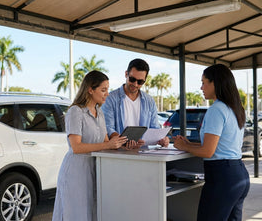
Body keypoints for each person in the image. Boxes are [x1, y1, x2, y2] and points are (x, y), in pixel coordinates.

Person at [173, 64, 250, 221]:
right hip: (239, 174)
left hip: (222, 178)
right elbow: (220, 145)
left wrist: (183, 146)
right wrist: (189, 144)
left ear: (215, 83)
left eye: (203, 82)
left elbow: (208, 151)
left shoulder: (217, 109)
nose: (201, 87)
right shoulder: (234, 108)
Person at [52, 70, 128, 221]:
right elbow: (76, 147)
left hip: (95, 170)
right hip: (76, 172)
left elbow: (106, 142)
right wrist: (108, 145)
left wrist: (122, 143)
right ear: (90, 90)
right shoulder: (76, 111)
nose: (107, 94)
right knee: (75, 215)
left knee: (92, 213)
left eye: (107, 89)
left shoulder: (99, 112)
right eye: (103, 90)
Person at [101, 58, 169, 148]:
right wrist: (123, 141)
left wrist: (162, 139)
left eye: (140, 82)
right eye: (132, 79)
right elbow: (108, 127)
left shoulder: (149, 101)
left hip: (143, 153)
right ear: (126, 74)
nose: (135, 84)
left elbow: (154, 128)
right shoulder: (110, 98)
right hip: (118, 153)